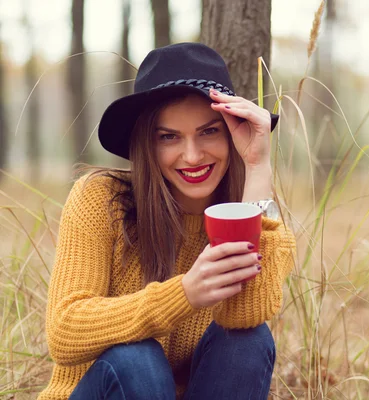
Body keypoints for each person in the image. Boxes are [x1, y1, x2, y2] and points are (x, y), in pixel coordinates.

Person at [38, 42, 296, 400]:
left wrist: (257, 165)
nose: (192, 156)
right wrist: (184, 294)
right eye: (169, 137)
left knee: (249, 339)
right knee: (136, 357)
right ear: (147, 143)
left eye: (209, 131)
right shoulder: (100, 198)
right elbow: (64, 331)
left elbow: (248, 316)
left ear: (230, 133)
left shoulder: (254, 209)